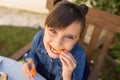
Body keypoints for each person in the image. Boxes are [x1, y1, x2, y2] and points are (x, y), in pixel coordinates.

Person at [22, 1, 90, 80]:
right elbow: (33, 53)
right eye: (53, 31)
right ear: (45, 26)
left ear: (77, 39)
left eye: (69, 37)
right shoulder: (39, 38)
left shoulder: (78, 55)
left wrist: (67, 75)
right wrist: (30, 62)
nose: (57, 44)